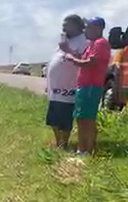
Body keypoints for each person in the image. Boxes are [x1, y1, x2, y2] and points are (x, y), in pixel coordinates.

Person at [65, 16, 111, 156]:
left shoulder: (100, 43)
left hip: (91, 86)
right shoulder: (92, 44)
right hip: (84, 86)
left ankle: (87, 149)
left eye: (88, 27)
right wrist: (71, 53)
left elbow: (90, 63)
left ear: (98, 28)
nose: (85, 30)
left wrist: (72, 60)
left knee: (87, 119)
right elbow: (83, 58)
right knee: (81, 118)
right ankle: (82, 148)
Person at [45, 15, 89, 149]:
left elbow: (83, 60)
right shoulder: (65, 41)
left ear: (77, 26)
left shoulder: (84, 42)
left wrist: (67, 50)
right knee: (53, 118)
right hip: (55, 87)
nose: (63, 28)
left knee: (64, 117)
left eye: (66, 25)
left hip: (68, 87)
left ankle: (64, 143)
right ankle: (58, 141)